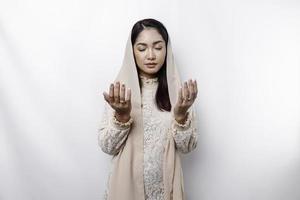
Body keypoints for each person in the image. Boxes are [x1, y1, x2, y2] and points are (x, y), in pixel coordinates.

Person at [98, 18, 199, 200]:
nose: (150, 55)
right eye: (142, 48)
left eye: (158, 47)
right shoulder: (120, 93)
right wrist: (121, 117)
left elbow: (187, 147)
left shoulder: (179, 94)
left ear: (167, 50)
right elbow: (107, 146)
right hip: (125, 189)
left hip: (165, 190)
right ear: (132, 52)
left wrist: (181, 116)